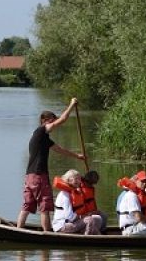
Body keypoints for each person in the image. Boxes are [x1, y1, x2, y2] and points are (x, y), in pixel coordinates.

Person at [17, 98, 86, 231]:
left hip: (29, 176)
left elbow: (60, 150)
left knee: (27, 205)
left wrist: (77, 156)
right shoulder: (41, 130)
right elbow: (63, 120)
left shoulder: (43, 139)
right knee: (45, 206)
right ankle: (48, 233)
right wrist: (71, 104)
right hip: (39, 176)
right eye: (53, 121)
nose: (54, 124)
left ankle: (18, 230)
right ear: (46, 120)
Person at [52, 169, 102, 235]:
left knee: (97, 219)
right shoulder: (65, 195)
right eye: (75, 179)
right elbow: (69, 216)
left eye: (79, 179)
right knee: (89, 220)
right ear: (68, 180)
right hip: (62, 226)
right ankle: (87, 239)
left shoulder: (72, 192)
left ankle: (97, 235)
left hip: (70, 222)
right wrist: (83, 216)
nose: (78, 181)